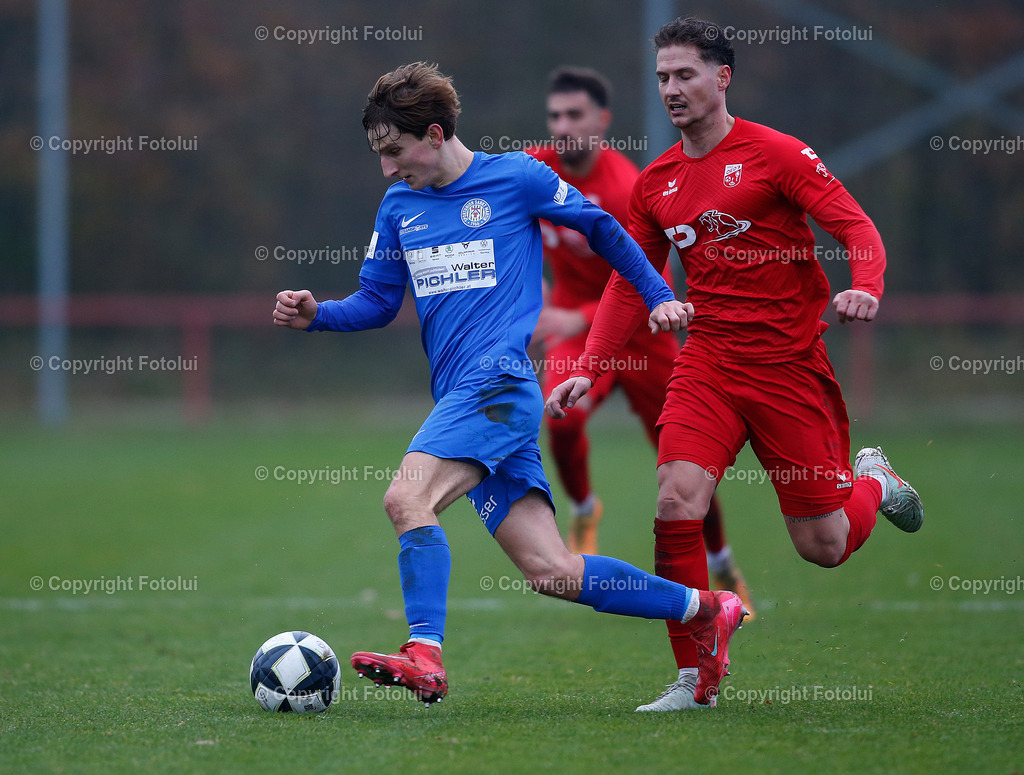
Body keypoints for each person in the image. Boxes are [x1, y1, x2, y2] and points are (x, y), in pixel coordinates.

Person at [273, 61, 746, 707]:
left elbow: (604, 228)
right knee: (551, 570)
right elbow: (379, 303)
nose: (386, 167)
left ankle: (424, 653)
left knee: (405, 499)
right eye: (378, 154)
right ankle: (705, 607)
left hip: (496, 385)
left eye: (394, 151)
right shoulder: (399, 205)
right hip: (470, 402)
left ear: (435, 134)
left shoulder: (516, 177)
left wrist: (660, 292)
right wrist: (317, 315)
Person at [546, 17, 924, 711]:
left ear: (722, 77)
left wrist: (864, 284)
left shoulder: (777, 155)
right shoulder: (657, 181)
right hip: (709, 363)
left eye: (685, 74)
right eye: (662, 78)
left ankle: (874, 480)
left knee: (825, 544)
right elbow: (632, 280)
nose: (671, 89)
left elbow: (855, 227)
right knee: (674, 500)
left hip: (788, 367)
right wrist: (592, 365)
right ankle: (695, 678)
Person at [527, 66, 756, 620]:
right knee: (558, 416)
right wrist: (534, 302)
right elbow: (509, 234)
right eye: (555, 116)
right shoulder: (534, 169)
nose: (562, 127)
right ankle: (584, 508)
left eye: (574, 115)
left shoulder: (628, 186)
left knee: (684, 470)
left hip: (645, 339)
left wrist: (569, 312)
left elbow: (650, 282)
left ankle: (723, 562)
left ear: (602, 122)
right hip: (583, 340)